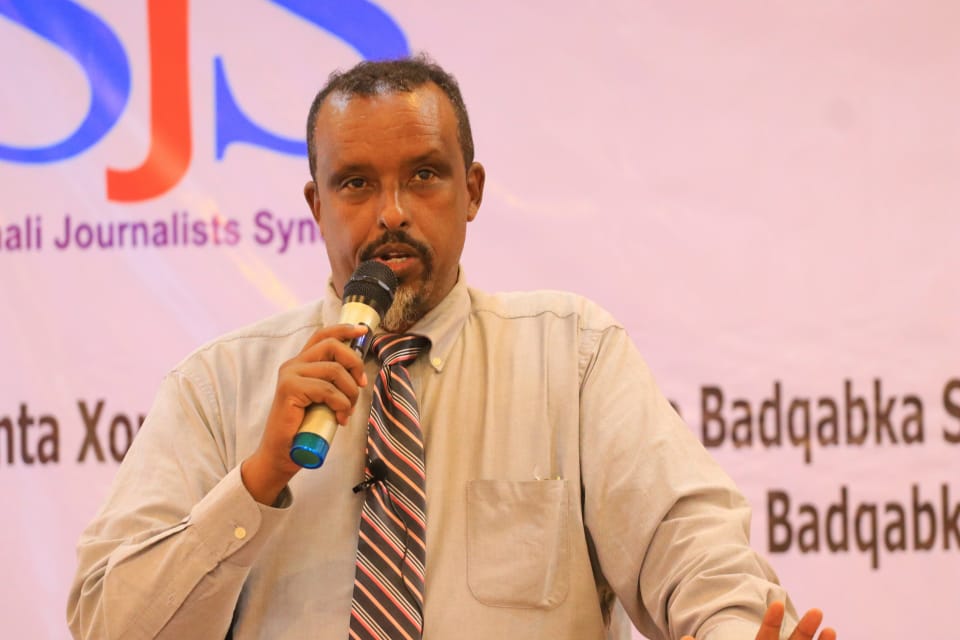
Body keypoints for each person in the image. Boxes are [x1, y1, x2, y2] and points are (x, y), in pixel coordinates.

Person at [67, 55, 836, 640]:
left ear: (471, 190)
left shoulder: (573, 357)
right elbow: (108, 621)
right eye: (357, 184)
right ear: (317, 205)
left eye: (425, 176)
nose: (392, 214)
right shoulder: (217, 388)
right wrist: (257, 481)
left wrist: (734, 630)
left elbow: (689, 546)